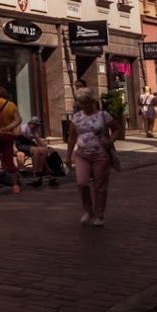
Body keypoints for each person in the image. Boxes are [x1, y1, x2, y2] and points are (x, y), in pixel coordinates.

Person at [66, 90, 123, 226]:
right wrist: (68, 156)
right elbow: (72, 137)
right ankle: (88, 210)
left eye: (86, 103)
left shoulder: (103, 115)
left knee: (100, 186)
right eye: (81, 104)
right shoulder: (76, 117)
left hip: (100, 154)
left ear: (92, 102)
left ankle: (99, 215)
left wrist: (110, 141)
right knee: (82, 183)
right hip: (82, 154)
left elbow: (117, 129)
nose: (84, 106)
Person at [16, 116, 63, 187]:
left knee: (44, 150)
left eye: (38, 126)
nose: (37, 127)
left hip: (29, 145)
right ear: (31, 123)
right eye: (36, 125)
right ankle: (35, 171)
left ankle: (40, 170)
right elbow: (17, 137)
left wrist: (46, 147)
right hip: (21, 145)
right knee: (36, 150)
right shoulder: (24, 128)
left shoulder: (34, 130)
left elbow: (40, 142)